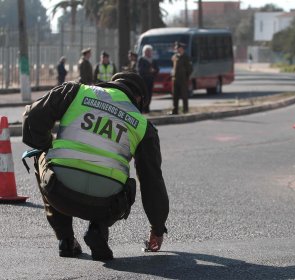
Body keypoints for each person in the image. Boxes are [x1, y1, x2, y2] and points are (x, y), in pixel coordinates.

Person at [22, 70, 169, 261]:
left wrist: (46, 145)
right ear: (139, 98)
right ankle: (97, 230)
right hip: (106, 206)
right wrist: (157, 228)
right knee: (122, 180)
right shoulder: (143, 126)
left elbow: (32, 117)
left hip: (59, 192)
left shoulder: (76, 91)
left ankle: (66, 240)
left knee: (40, 153)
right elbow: (152, 182)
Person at [171, 41, 192, 115]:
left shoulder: (186, 57)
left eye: (178, 48)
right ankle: (174, 110)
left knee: (184, 95)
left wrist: (186, 77)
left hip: (183, 80)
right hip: (175, 79)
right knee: (175, 96)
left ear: (182, 48)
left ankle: (185, 110)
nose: (177, 49)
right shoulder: (175, 56)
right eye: (176, 48)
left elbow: (189, 69)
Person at [138, 45, 159, 113]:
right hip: (144, 80)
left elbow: (157, 69)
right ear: (144, 52)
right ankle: (143, 108)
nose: (149, 53)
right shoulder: (141, 59)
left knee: (149, 94)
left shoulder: (153, 60)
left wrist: (154, 71)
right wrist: (148, 70)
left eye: (150, 51)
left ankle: (147, 108)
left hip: (151, 79)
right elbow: (140, 70)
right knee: (144, 94)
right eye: (147, 51)